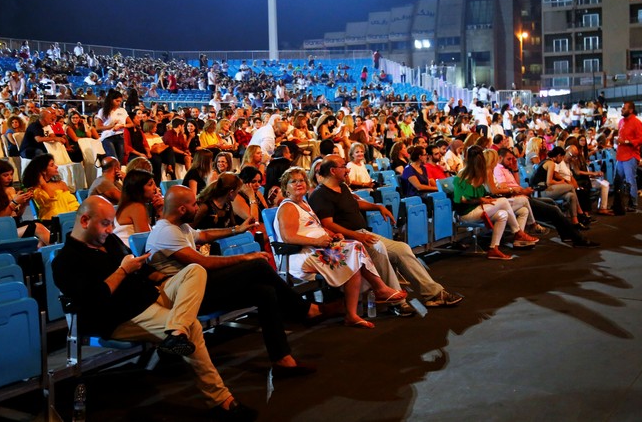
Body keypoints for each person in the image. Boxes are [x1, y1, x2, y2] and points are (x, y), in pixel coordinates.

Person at [51, 196, 258, 419]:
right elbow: (94, 300)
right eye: (105, 223)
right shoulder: (65, 261)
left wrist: (162, 278)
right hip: (122, 316)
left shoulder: (108, 241)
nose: (111, 229)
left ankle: (175, 332)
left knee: (195, 270)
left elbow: (141, 269)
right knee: (194, 327)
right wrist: (123, 271)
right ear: (84, 220)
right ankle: (222, 400)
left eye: (112, 223)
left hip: (150, 295)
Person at [146, 185, 332, 378]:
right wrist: (246, 257)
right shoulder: (165, 233)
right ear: (182, 209)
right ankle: (305, 310)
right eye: (194, 204)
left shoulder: (180, 227)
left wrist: (237, 229)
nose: (198, 207)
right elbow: (203, 263)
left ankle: (282, 360)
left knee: (264, 292)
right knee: (257, 266)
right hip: (189, 298)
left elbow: (205, 235)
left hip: (201, 287)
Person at [309, 155, 463, 309]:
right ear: (333, 170)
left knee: (402, 249)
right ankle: (397, 302)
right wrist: (357, 235)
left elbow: (355, 203)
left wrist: (378, 206)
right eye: (344, 166)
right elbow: (327, 224)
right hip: (348, 240)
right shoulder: (320, 194)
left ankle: (433, 294)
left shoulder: (342, 187)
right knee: (379, 250)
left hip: (362, 234)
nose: (347, 170)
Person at [274, 167, 406, 329]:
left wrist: (332, 234)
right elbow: (288, 237)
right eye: (293, 182)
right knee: (355, 249)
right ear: (285, 187)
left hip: (318, 249)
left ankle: (353, 313)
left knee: (354, 253)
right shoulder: (288, 206)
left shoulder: (304, 204)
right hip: (301, 255)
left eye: (301, 180)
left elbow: (314, 228)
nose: (299, 184)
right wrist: (317, 242)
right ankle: (380, 289)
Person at [496, 147, 599, 248]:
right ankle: (578, 238)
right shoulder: (498, 170)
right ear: (500, 158)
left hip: (523, 197)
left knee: (551, 203)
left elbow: (516, 185)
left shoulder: (506, 169)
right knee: (553, 209)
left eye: (511, 159)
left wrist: (515, 170)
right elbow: (506, 190)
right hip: (520, 199)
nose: (511, 162)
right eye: (508, 159)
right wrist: (522, 191)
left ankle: (566, 234)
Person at [452, 146, 514, 260]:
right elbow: (459, 199)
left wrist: (485, 198)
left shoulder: (480, 174)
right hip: (466, 213)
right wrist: (480, 199)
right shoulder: (462, 175)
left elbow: (483, 193)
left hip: (477, 208)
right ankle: (517, 231)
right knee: (504, 201)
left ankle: (493, 248)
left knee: (503, 214)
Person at [0, 159, 50, 247]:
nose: (10, 178)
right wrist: (14, 202)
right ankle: (60, 254)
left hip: (13, 225)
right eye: (5, 175)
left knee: (46, 224)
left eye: (11, 174)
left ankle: (41, 255)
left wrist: (24, 203)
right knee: (37, 227)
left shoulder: (10, 190)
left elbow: (16, 215)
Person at [22, 153, 80, 221]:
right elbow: (51, 198)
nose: (56, 167)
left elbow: (71, 202)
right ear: (43, 170)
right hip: (50, 220)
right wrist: (43, 182)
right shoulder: (36, 189)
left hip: (68, 217)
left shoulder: (61, 184)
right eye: (52, 165)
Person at [113, 168, 164, 245]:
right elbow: (148, 241)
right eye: (150, 184)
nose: (155, 188)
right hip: (129, 254)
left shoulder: (132, 205)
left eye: (154, 183)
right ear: (138, 189)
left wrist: (159, 211)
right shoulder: (136, 207)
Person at [615, 101, 642, 211]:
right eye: (622, 107)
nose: (622, 109)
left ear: (631, 110)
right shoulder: (621, 122)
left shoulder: (637, 122)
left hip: (631, 155)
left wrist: (627, 142)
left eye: (624, 108)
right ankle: (618, 203)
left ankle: (633, 204)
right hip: (620, 155)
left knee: (630, 180)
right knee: (618, 181)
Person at [96, 89, 133, 162]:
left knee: (120, 159)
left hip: (120, 136)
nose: (119, 103)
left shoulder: (122, 111)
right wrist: (111, 126)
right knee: (113, 159)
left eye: (120, 101)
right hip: (108, 137)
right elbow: (98, 127)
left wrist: (123, 126)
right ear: (111, 100)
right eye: (117, 101)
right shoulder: (103, 111)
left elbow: (131, 124)